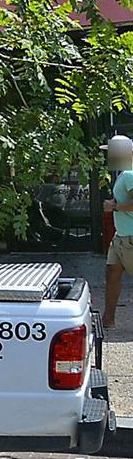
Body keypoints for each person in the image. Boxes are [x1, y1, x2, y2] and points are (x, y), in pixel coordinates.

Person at [104, 134, 133, 330]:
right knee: (112, 273)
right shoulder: (125, 173)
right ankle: (108, 320)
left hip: (129, 237)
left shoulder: (130, 174)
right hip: (120, 236)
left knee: (113, 273)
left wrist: (114, 207)